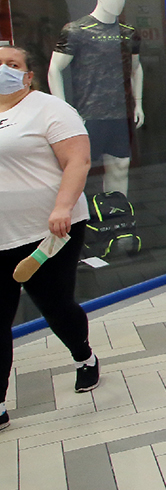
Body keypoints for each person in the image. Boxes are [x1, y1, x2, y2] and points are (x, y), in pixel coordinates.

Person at [0, 46, 100, 430]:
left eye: (13, 65)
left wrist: (62, 207)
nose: (5, 70)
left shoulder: (50, 109)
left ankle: (83, 356)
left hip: (51, 233)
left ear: (28, 75)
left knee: (56, 306)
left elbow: (78, 160)